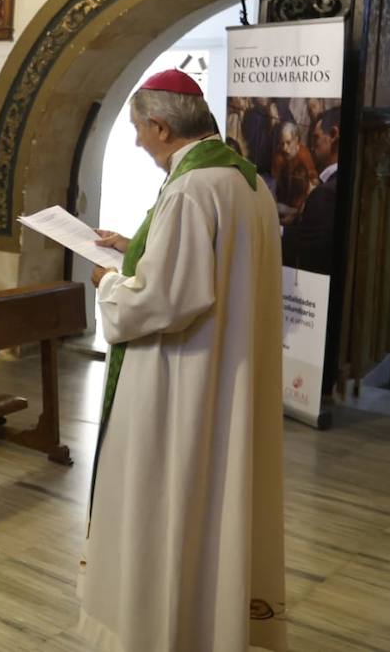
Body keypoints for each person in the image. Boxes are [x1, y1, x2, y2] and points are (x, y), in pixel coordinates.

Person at [81, 68, 285, 652]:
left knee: (169, 502)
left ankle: (163, 630)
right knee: (213, 503)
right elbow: (207, 263)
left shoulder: (193, 189)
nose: (138, 143)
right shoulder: (243, 180)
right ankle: (207, 620)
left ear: (162, 126)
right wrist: (136, 244)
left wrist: (107, 281)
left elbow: (167, 298)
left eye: (139, 131)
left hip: (183, 382)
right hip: (225, 375)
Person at [282, 106, 340, 275]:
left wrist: (274, 229)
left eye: (316, 138)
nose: (313, 146)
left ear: (334, 135)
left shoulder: (326, 193)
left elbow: (304, 247)